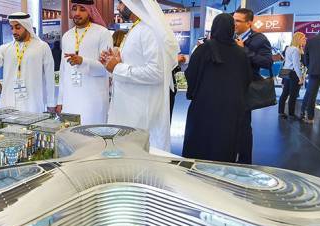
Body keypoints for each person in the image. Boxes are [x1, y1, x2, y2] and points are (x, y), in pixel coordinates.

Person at [101, 0, 178, 151]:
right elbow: (136, 63)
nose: (118, 7)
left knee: (140, 162)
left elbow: (157, 73)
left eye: (122, 3)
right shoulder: (137, 28)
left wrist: (117, 67)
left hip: (141, 114)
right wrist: (115, 60)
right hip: (129, 109)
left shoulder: (149, 31)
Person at [182, 14, 251, 162]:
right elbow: (246, 80)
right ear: (231, 28)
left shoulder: (202, 50)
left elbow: (190, 75)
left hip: (203, 106)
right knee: (225, 146)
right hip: (231, 109)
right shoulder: (241, 53)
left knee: (198, 145)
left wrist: (193, 93)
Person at [56, 0, 112, 125]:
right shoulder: (67, 36)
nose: (77, 13)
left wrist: (83, 61)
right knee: (71, 137)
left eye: (82, 9)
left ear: (90, 11)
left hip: (93, 100)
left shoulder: (102, 33)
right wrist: (60, 101)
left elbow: (107, 68)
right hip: (70, 100)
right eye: (74, 9)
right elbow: (63, 70)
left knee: (93, 138)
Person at [233, 8, 273, 164]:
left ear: (249, 23)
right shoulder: (232, 36)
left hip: (246, 88)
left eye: (238, 21)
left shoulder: (259, 39)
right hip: (231, 87)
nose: (234, 23)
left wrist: (245, 51)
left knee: (243, 126)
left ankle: (244, 162)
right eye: (233, 20)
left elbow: (267, 62)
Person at [278, 32, 306, 119]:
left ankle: (281, 111)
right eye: (303, 38)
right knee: (293, 95)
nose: (305, 40)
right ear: (298, 39)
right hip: (294, 74)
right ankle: (291, 113)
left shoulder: (289, 48)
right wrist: (300, 77)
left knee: (285, 93)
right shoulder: (296, 50)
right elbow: (296, 65)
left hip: (287, 72)